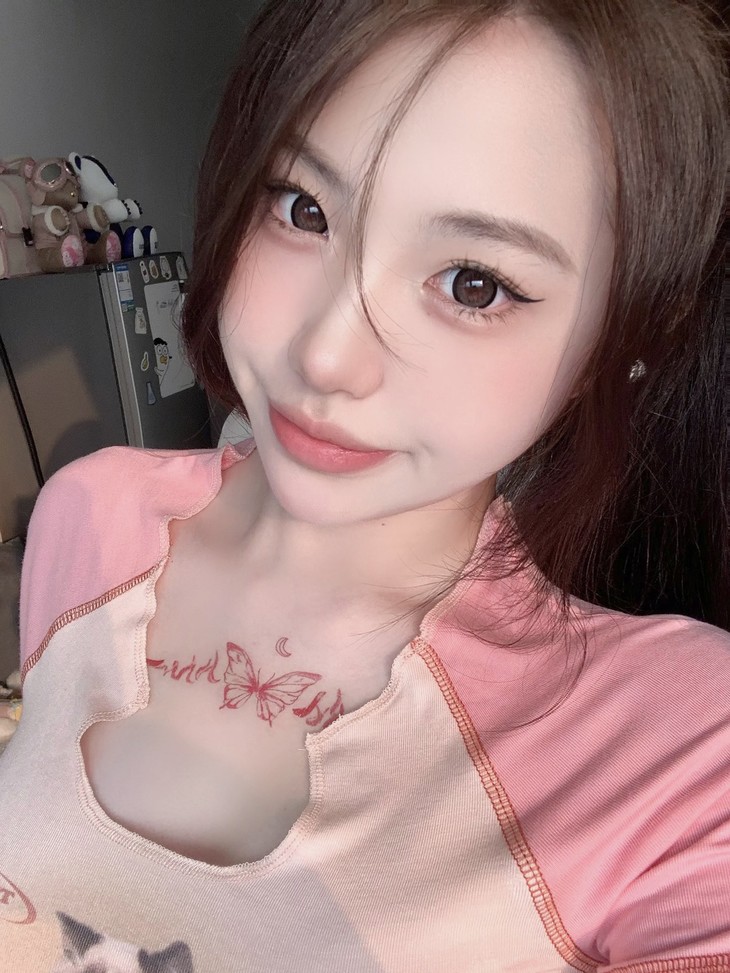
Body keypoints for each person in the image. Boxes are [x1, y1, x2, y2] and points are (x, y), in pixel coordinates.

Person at [1, 1, 727, 970]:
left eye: (473, 283)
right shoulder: (91, 513)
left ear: (618, 338)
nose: (326, 355)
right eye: (303, 208)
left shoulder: (679, 753)